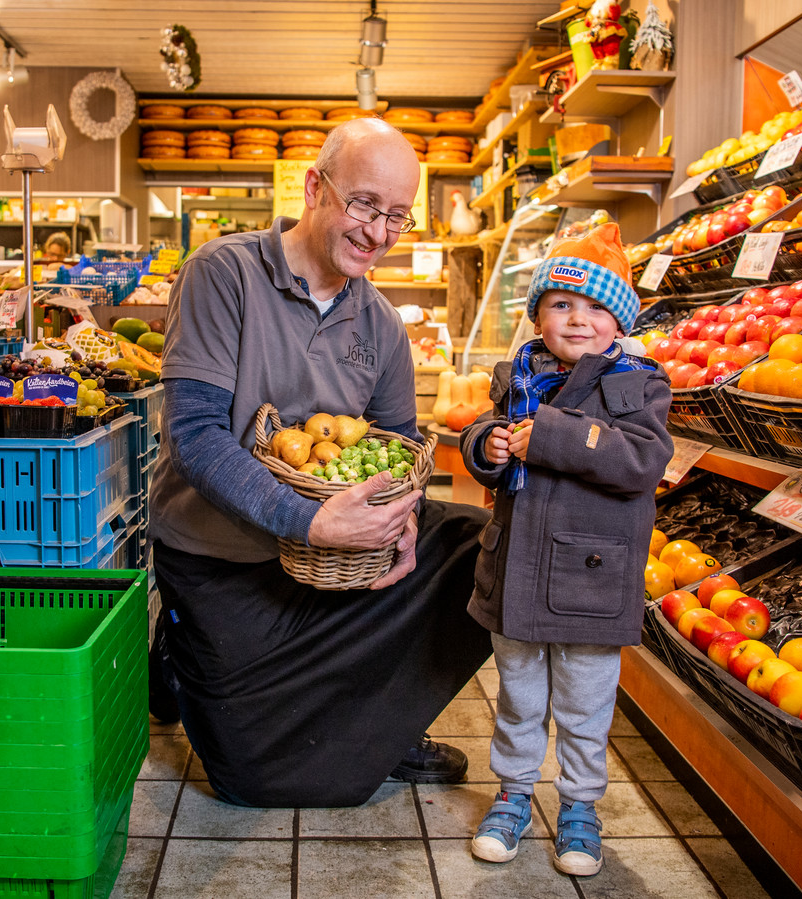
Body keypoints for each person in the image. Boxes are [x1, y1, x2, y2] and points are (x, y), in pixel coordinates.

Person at [146, 117, 494, 808]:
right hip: (223, 565)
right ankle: (179, 655)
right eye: (364, 204)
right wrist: (310, 521)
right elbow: (194, 433)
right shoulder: (224, 273)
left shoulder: (383, 327)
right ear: (314, 187)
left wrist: (399, 522)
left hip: (326, 566)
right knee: (255, 781)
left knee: (482, 547)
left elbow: (396, 451)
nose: (378, 232)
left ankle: (385, 723)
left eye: (396, 215)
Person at [457, 223, 673, 876]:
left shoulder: (638, 383)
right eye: (560, 304)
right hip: (517, 569)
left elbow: (640, 460)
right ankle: (514, 791)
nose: (576, 319)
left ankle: (579, 803)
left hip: (589, 575)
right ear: (538, 315)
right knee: (519, 694)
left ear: (619, 320)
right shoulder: (517, 374)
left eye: (594, 307)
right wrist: (486, 445)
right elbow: (487, 432)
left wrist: (545, 434)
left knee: (583, 701)